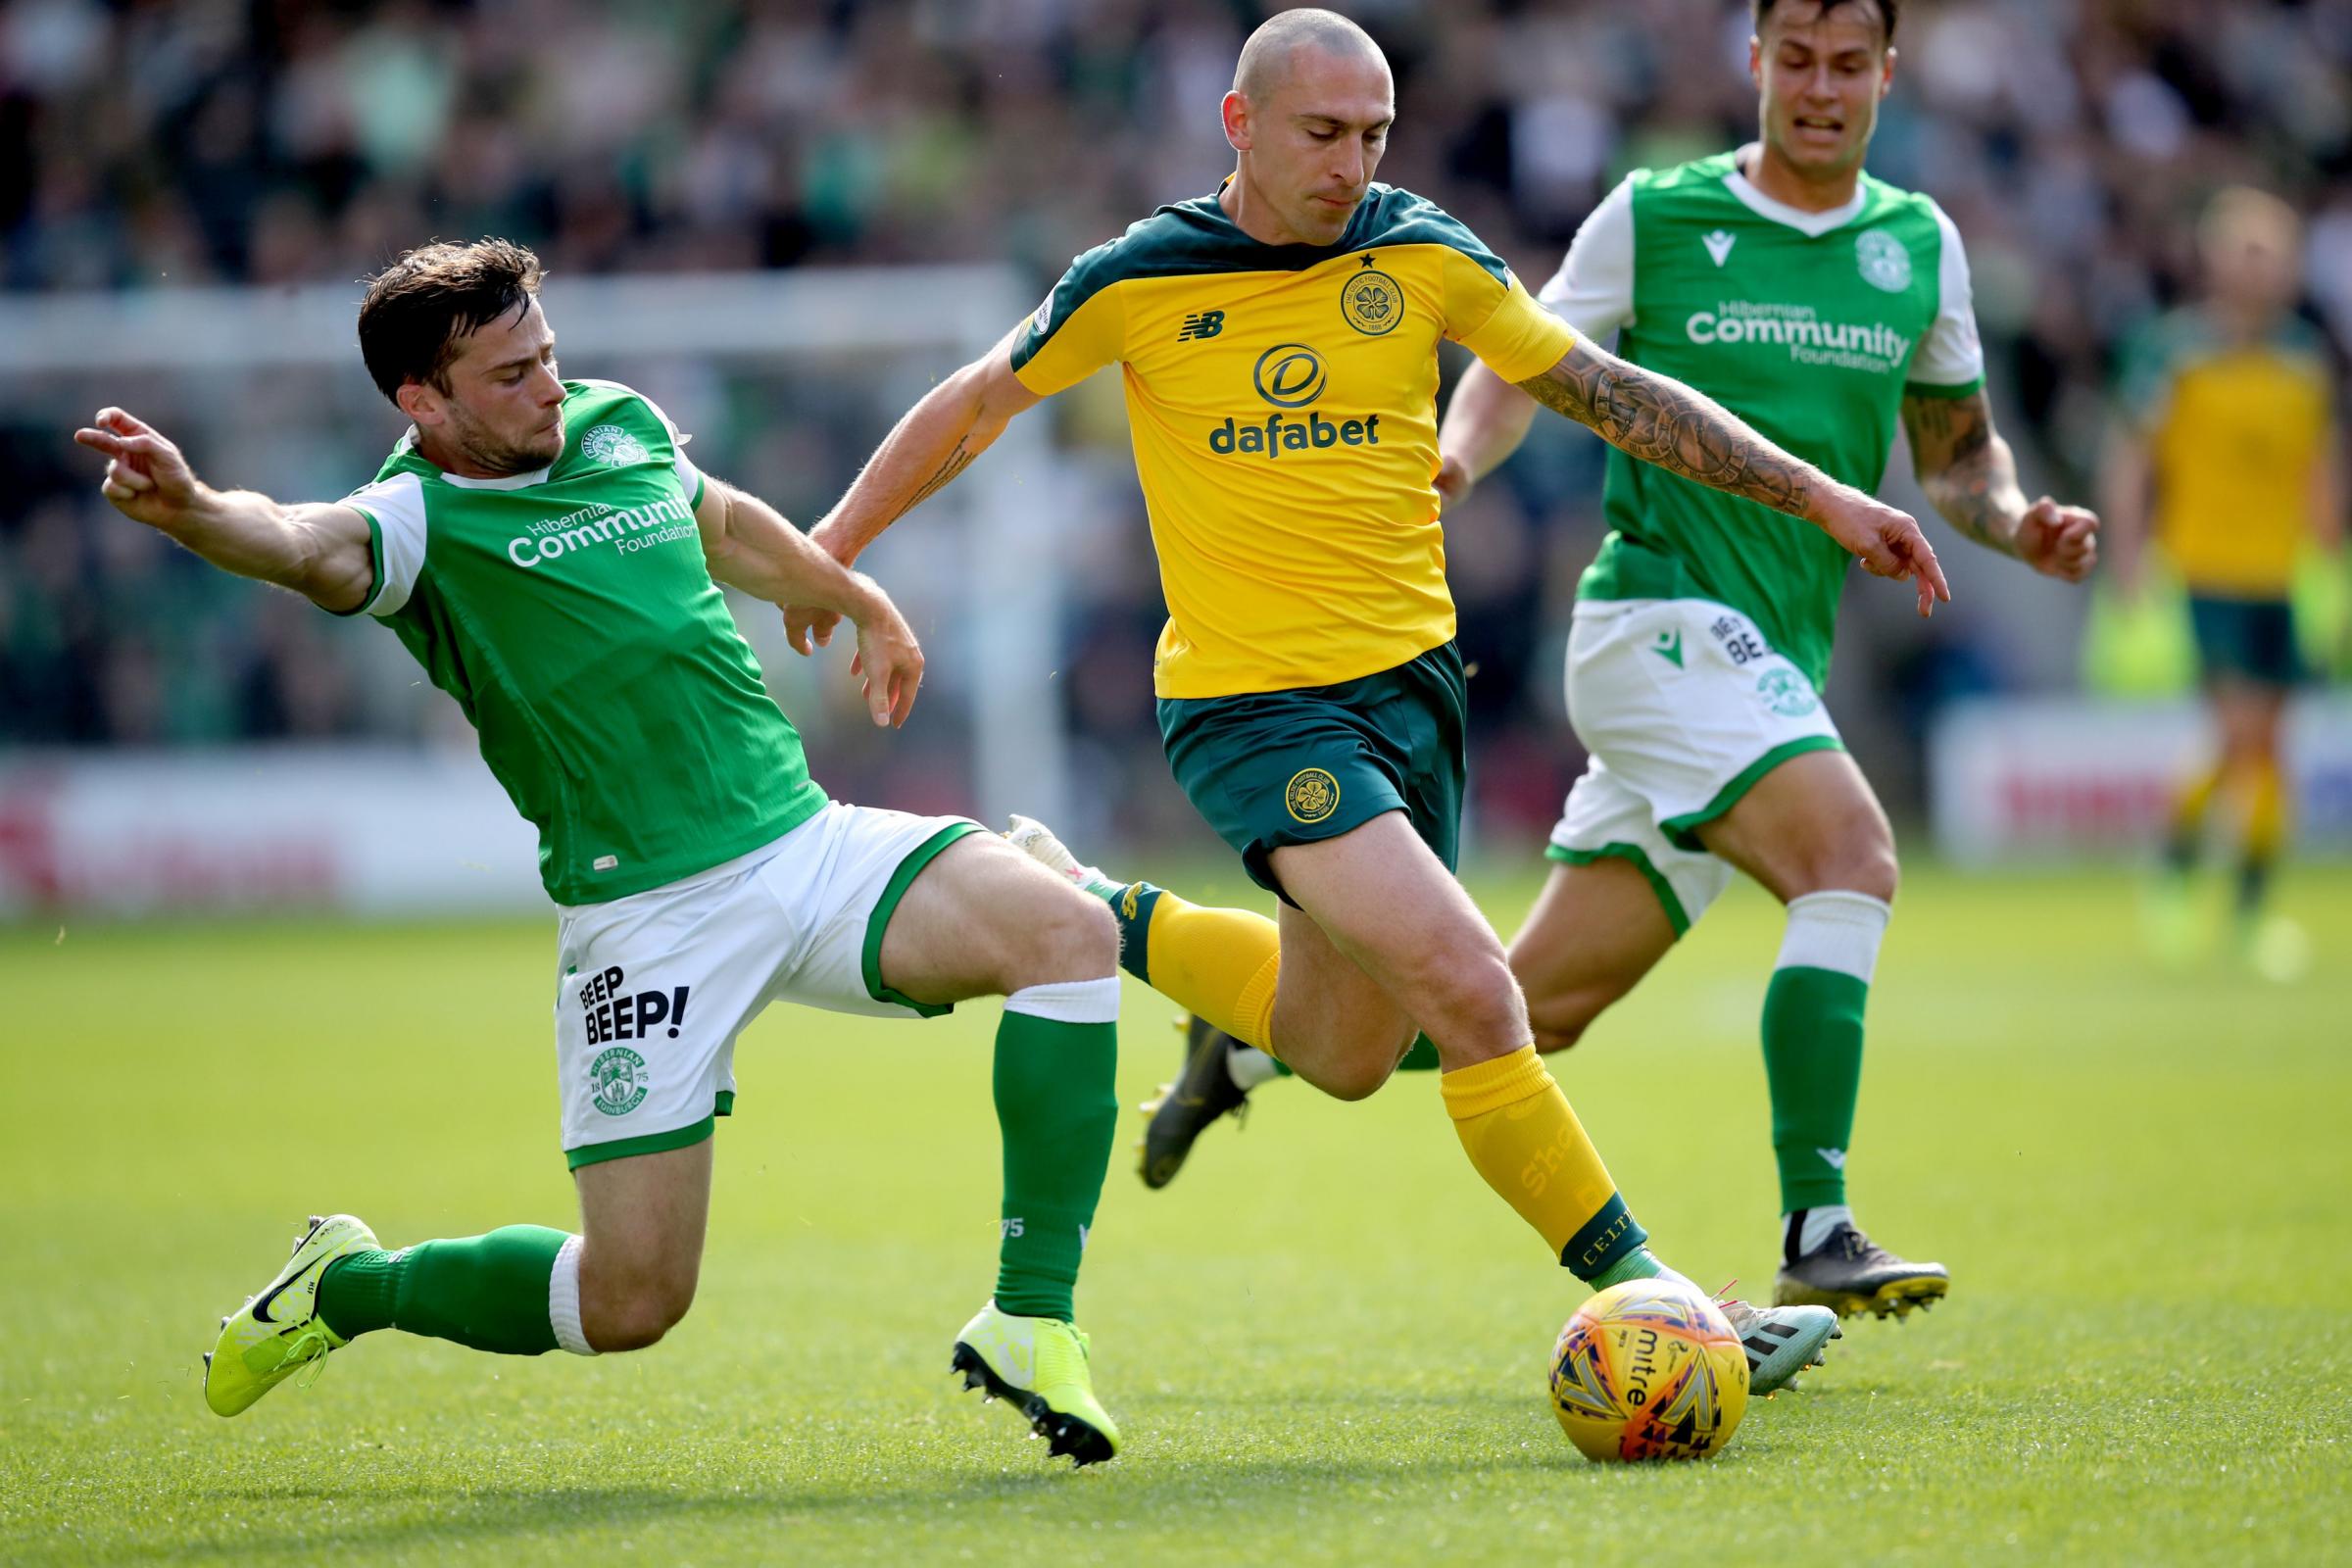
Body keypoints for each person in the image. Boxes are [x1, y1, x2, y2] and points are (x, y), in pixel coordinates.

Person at [785, 8, 1950, 1392]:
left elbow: (1607, 391)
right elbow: (976, 401)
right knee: (1474, 987)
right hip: (1255, 711)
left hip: (1411, 698)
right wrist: (829, 553)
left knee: (1346, 1051)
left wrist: (1820, 495)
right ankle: (1671, 1300)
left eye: (1372, 135)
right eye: (1323, 134)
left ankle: (1084, 910)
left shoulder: (1421, 252)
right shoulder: (1144, 276)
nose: (1351, 163)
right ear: (1241, 124)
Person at [74, 239, 1129, 1465]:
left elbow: (722, 522)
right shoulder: (413, 520)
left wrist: (856, 597)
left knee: (1068, 933)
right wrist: (196, 510)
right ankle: (348, 1285)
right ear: (426, 401)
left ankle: (1032, 1318)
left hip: (806, 843)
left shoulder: (618, 425)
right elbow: (299, 541)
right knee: (632, 1302)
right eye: (513, 374)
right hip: (647, 923)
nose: (550, 388)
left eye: (550, 356)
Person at [1139, 0, 2101, 1326]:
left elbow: (1956, 457)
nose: (1821, 89)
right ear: (1757, 64)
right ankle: (1818, 1229)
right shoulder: (1653, 216)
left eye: (1850, 65)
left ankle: (1248, 1051)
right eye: (1798, 60)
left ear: (1889, 73)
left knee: (1528, 1009)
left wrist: (2013, 522)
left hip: (1774, 668)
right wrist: (1460, 461)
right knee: (1853, 858)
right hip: (1656, 625)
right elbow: (1529, 354)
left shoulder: (1917, 248)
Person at [2104, 185, 2342, 979]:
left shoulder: (2305, 359)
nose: (2262, 268)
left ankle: (2246, 906)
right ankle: (2184, 870)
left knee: (2267, 744)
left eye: (2274, 253)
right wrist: (2129, 554)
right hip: (2203, 568)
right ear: (2214, 260)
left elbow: (2321, 465)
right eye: (2248, 250)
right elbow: (2132, 457)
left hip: (2283, 575)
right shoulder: (2177, 353)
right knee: (2244, 733)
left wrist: (2329, 553)